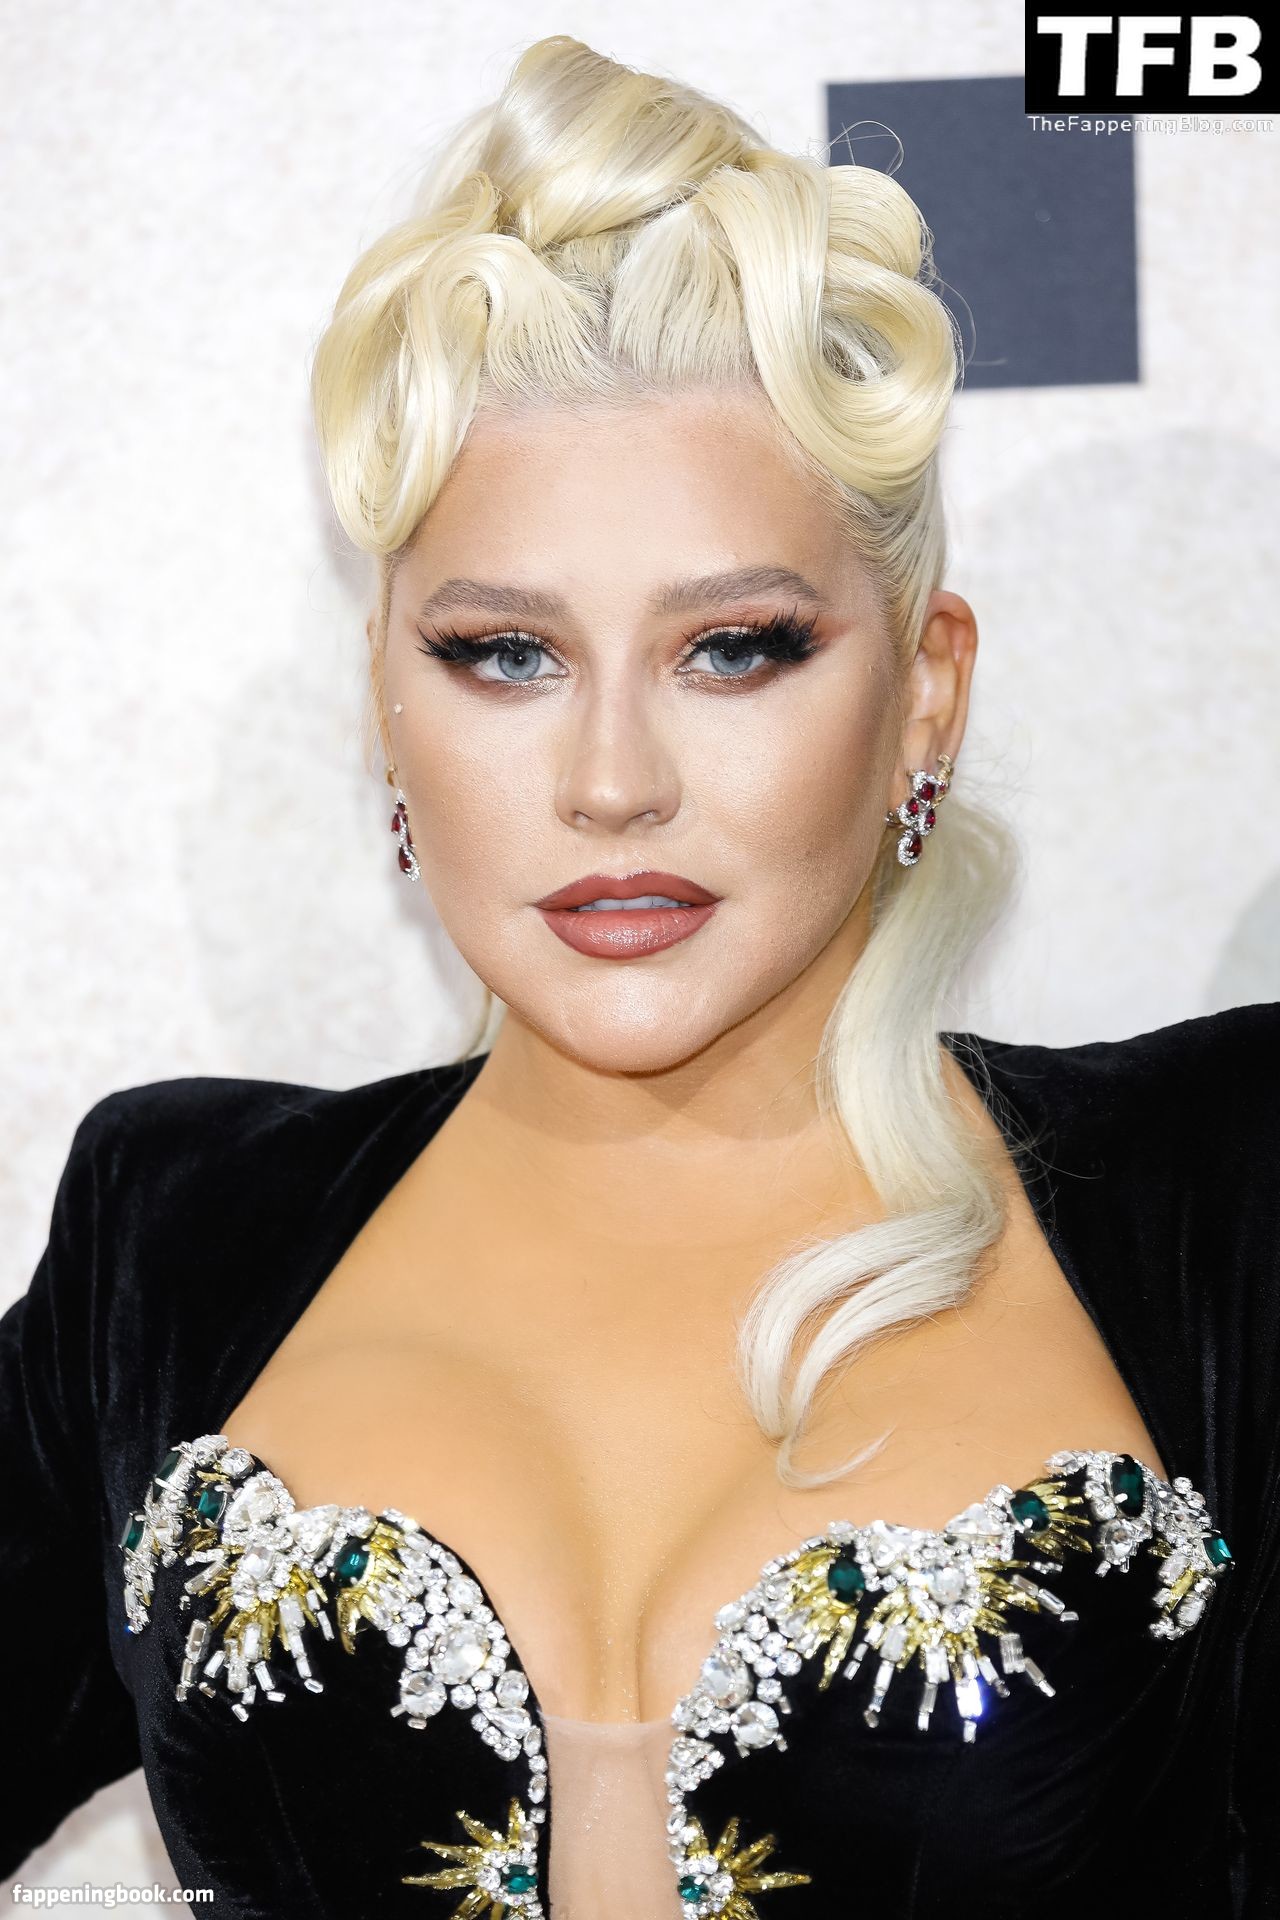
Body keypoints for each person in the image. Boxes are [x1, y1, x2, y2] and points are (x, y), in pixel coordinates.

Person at [2, 32, 1275, 1920]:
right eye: (504, 655)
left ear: (926, 691)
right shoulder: (174, 1235)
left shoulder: (1226, 1194)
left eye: (736, 647)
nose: (612, 782)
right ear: (386, 698)